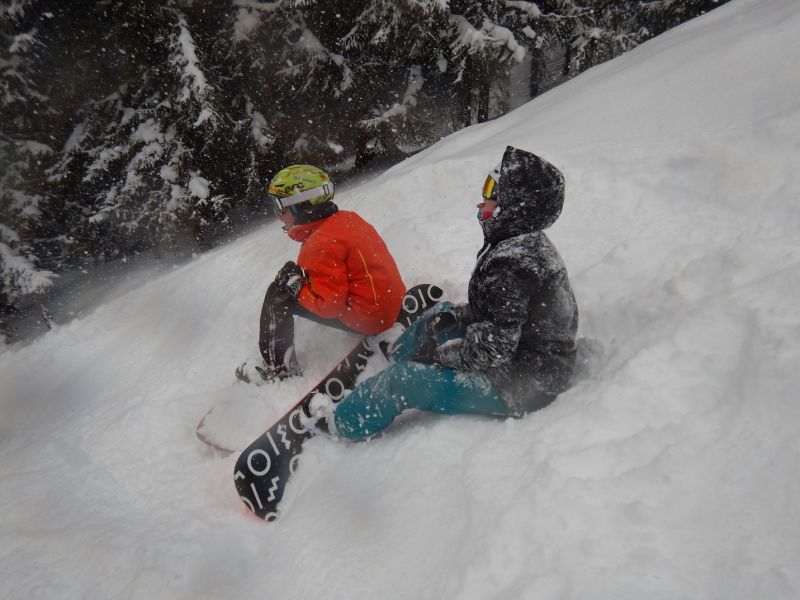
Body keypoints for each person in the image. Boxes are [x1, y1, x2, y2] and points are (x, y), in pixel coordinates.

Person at [309, 146, 578, 439]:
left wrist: (441, 357)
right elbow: (500, 315)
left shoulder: (513, 264)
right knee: (441, 313)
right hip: (522, 356)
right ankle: (400, 353)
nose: (482, 202)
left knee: (403, 382)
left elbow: (496, 347)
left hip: (525, 382)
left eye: (492, 191)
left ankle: (340, 424)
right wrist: (453, 320)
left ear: (514, 205)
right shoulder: (516, 243)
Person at [237, 164, 406, 383]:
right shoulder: (347, 219)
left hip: (371, 318)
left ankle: (278, 369)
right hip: (388, 302)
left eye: (279, 206)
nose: (278, 216)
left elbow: (328, 306)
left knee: (278, 294)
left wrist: (296, 286)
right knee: (291, 282)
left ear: (298, 206)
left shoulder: (319, 244)